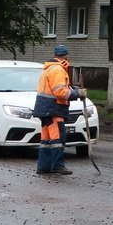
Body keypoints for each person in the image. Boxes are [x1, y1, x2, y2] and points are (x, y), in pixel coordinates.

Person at [34, 44, 80, 176]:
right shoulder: (58, 70)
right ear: (66, 56)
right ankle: (57, 166)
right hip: (53, 109)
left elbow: (55, 89)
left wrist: (74, 91)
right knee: (58, 139)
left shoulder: (48, 68)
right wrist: (77, 94)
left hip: (45, 109)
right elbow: (60, 92)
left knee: (47, 140)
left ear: (55, 55)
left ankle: (43, 167)